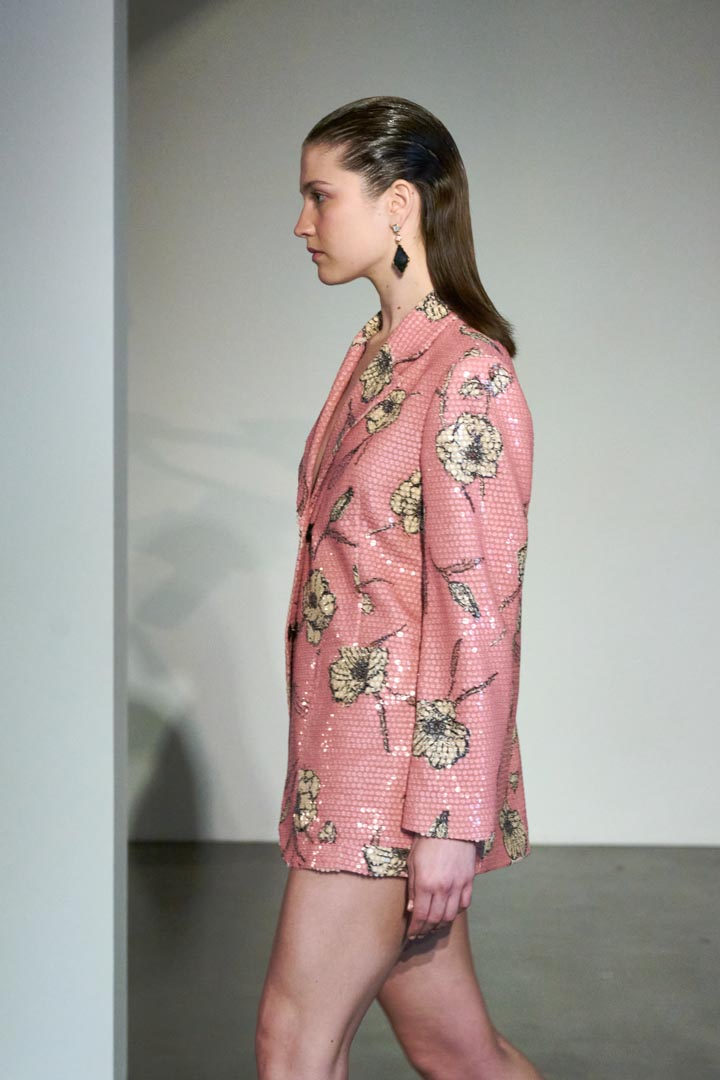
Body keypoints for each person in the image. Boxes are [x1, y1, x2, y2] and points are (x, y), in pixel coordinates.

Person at [256, 96, 544, 1080]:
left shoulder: (468, 375)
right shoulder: (373, 358)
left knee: (293, 1045)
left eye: (320, 196)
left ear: (398, 205)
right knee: (460, 1054)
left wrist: (450, 823)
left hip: (389, 785)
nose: (302, 222)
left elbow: (479, 616)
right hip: (343, 760)